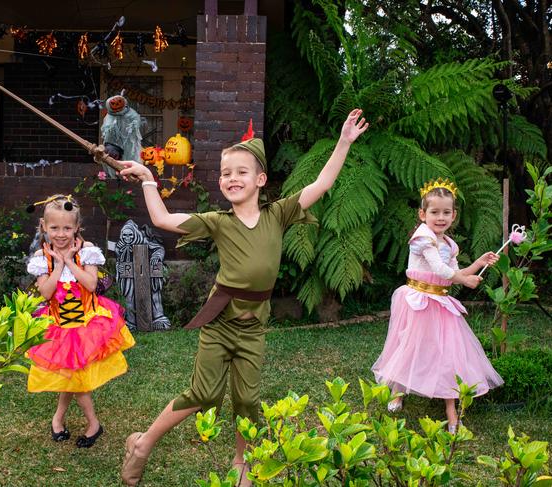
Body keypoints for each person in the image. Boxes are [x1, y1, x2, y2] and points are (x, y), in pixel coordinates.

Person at [118, 109, 369, 486]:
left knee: (248, 401)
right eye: (225, 173)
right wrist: (149, 181)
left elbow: (321, 183)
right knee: (202, 394)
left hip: (253, 327)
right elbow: (163, 221)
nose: (231, 178)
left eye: (240, 171)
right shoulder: (218, 222)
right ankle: (143, 444)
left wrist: (344, 142)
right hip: (220, 323)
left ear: (260, 179)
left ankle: (242, 461)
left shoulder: (279, 214)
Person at [371, 179, 504, 433]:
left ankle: (451, 411)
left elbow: (453, 271)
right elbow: (439, 269)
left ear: (453, 215)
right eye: (434, 212)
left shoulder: (449, 245)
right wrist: (465, 279)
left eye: (446, 212)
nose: (440, 217)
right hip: (418, 299)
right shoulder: (422, 238)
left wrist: (477, 263)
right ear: (423, 214)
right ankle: (398, 390)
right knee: (410, 346)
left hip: (440, 301)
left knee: (447, 354)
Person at [26, 194, 135, 448]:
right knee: (73, 376)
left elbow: (91, 284)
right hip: (59, 327)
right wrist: (57, 265)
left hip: (86, 326)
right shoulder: (42, 258)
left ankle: (86, 423)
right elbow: (46, 293)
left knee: (75, 376)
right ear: (44, 226)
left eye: (67, 227)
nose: (61, 234)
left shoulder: (87, 252)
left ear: (77, 227)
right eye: (54, 228)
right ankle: (70, 420)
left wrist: (69, 261)